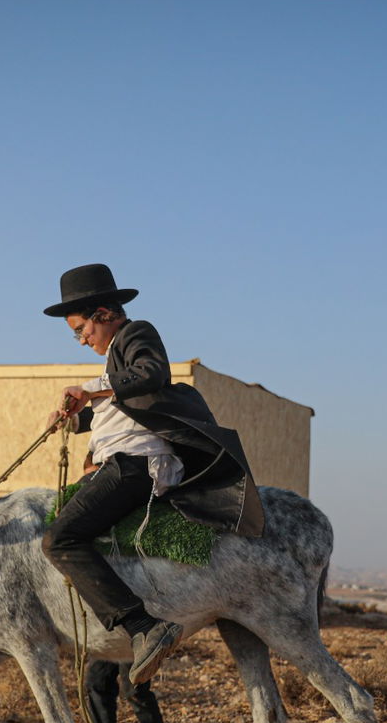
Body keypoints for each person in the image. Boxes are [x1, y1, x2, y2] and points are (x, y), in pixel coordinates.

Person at [40, 263, 264, 685]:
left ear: (104, 314)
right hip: (123, 458)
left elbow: (152, 375)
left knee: (60, 539)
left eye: (80, 328)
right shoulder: (112, 362)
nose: (81, 338)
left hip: (135, 464)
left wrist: (88, 390)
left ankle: (144, 627)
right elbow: (123, 406)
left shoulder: (136, 332)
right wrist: (74, 419)